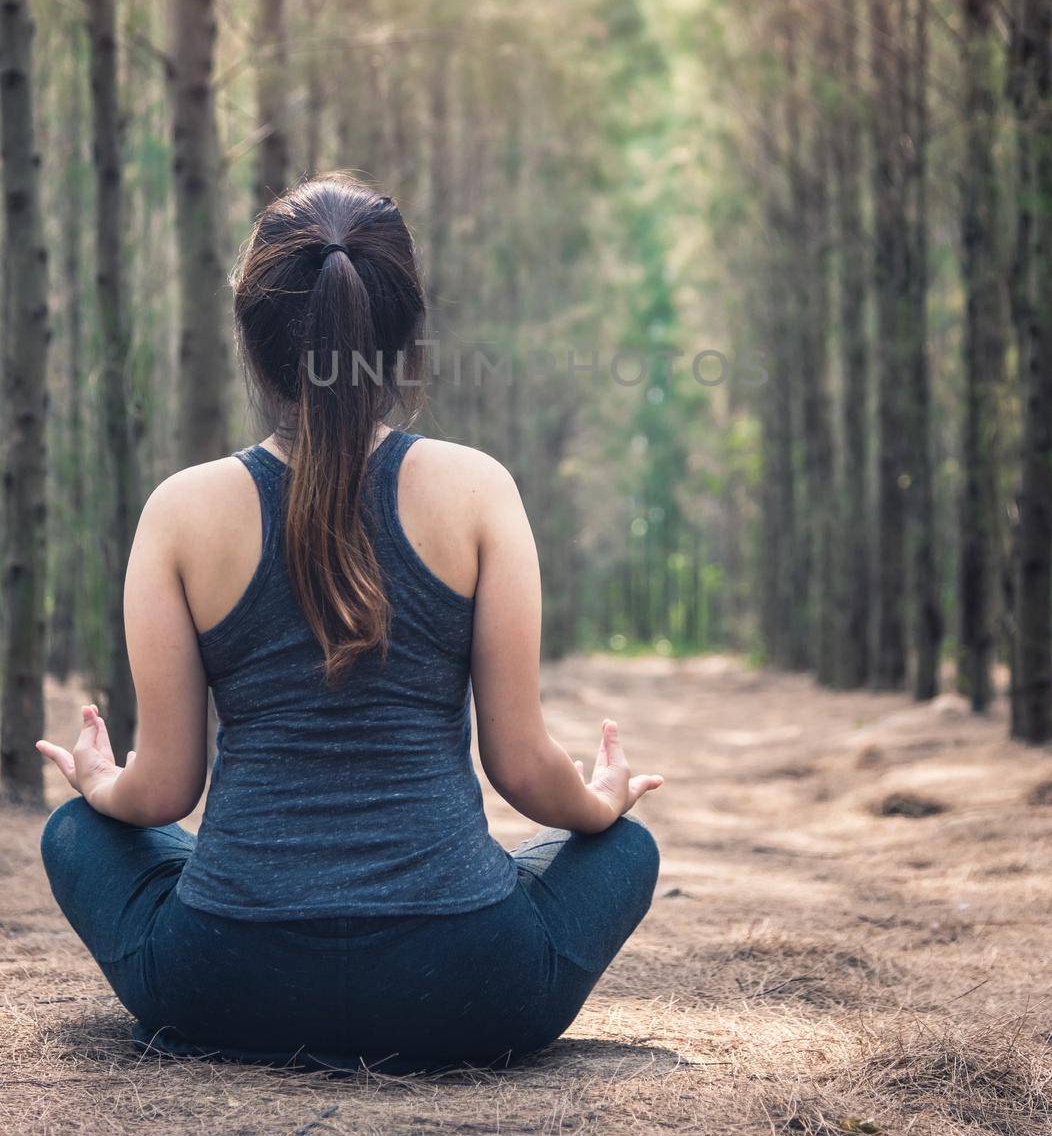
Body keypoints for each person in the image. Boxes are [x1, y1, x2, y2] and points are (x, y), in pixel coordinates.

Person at [37, 173, 663, 1072]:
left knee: (74, 834)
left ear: (254, 341)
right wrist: (596, 807)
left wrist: (101, 787)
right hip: (464, 982)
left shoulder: (181, 510)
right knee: (623, 849)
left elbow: (165, 790)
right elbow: (523, 769)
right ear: (405, 334)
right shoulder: (478, 490)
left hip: (226, 980)